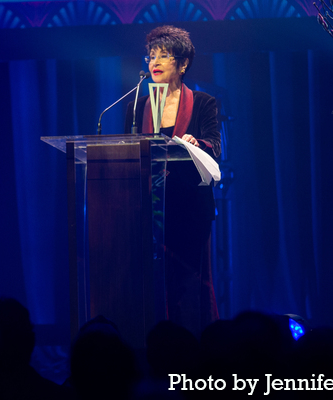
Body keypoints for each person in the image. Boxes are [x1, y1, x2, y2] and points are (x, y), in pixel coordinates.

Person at [124, 25, 220, 337]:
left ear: (182, 64)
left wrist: (195, 144)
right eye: (151, 56)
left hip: (189, 208)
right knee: (152, 284)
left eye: (163, 56)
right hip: (149, 210)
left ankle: (196, 352)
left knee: (190, 285)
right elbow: (127, 155)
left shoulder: (204, 103)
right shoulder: (136, 106)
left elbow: (215, 149)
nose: (154, 62)